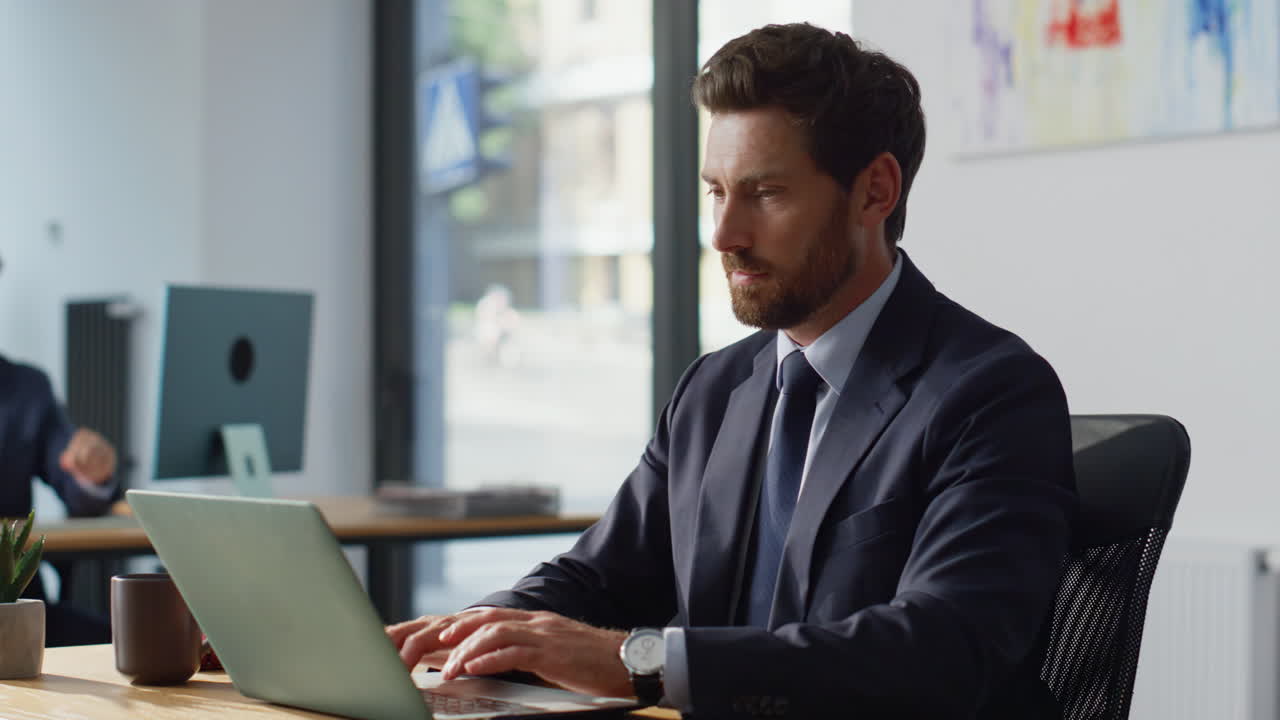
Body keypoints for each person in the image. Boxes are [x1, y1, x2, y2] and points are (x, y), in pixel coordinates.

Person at [388, 23, 1077, 719]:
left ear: (875, 192)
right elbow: (597, 580)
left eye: (765, 193)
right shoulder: (713, 391)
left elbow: (942, 648)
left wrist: (639, 663)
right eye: (717, 192)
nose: (723, 234)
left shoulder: (990, 393)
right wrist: (474, 633)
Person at [0, 352, 118, 646]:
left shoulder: (26, 386)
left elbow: (72, 480)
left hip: (15, 609)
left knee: (151, 643)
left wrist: (91, 475)